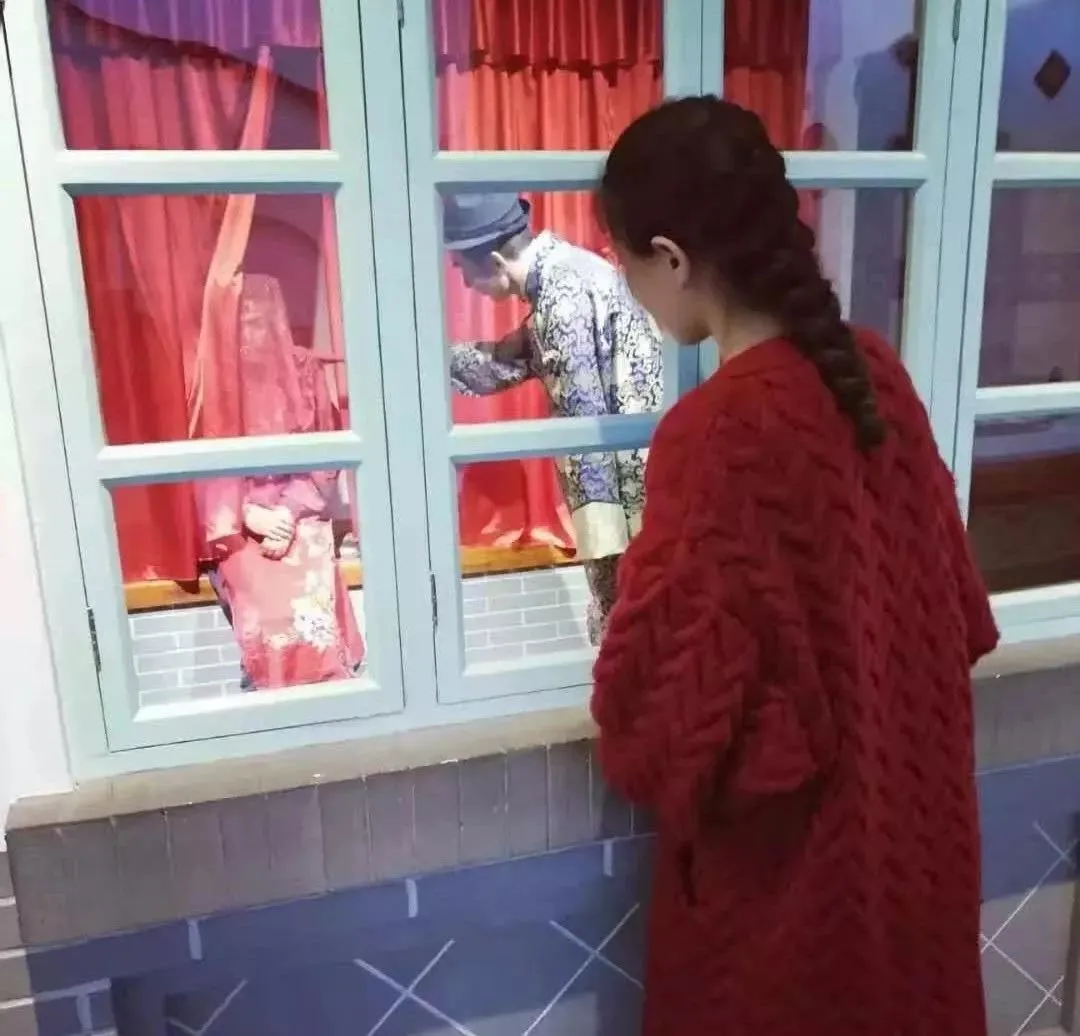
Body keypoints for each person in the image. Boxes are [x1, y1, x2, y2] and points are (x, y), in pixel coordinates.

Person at [590, 97, 998, 1036]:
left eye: (625, 261)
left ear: (673, 259)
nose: (627, 286)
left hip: (796, 903)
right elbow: (962, 620)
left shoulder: (715, 434)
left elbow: (655, 730)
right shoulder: (876, 375)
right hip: (917, 856)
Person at [444, 193, 664, 644]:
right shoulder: (567, 273)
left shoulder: (561, 295)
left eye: (463, 269)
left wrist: (603, 551)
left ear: (495, 262)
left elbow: (586, 428)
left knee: (631, 632)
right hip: (646, 481)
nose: (465, 283)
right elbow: (503, 362)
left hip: (632, 497)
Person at [201, 274, 365, 690]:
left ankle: (326, 694)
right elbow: (199, 466)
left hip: (300, 511)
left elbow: (324, 457)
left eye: (260, 321)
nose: (251, 332)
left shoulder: (304, 370)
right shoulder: (210, 376)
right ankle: (270, 693)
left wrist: (288, 514)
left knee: (311, 598)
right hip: (236, 520)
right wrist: (246, 514)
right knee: (265, 608)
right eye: (241, 321)